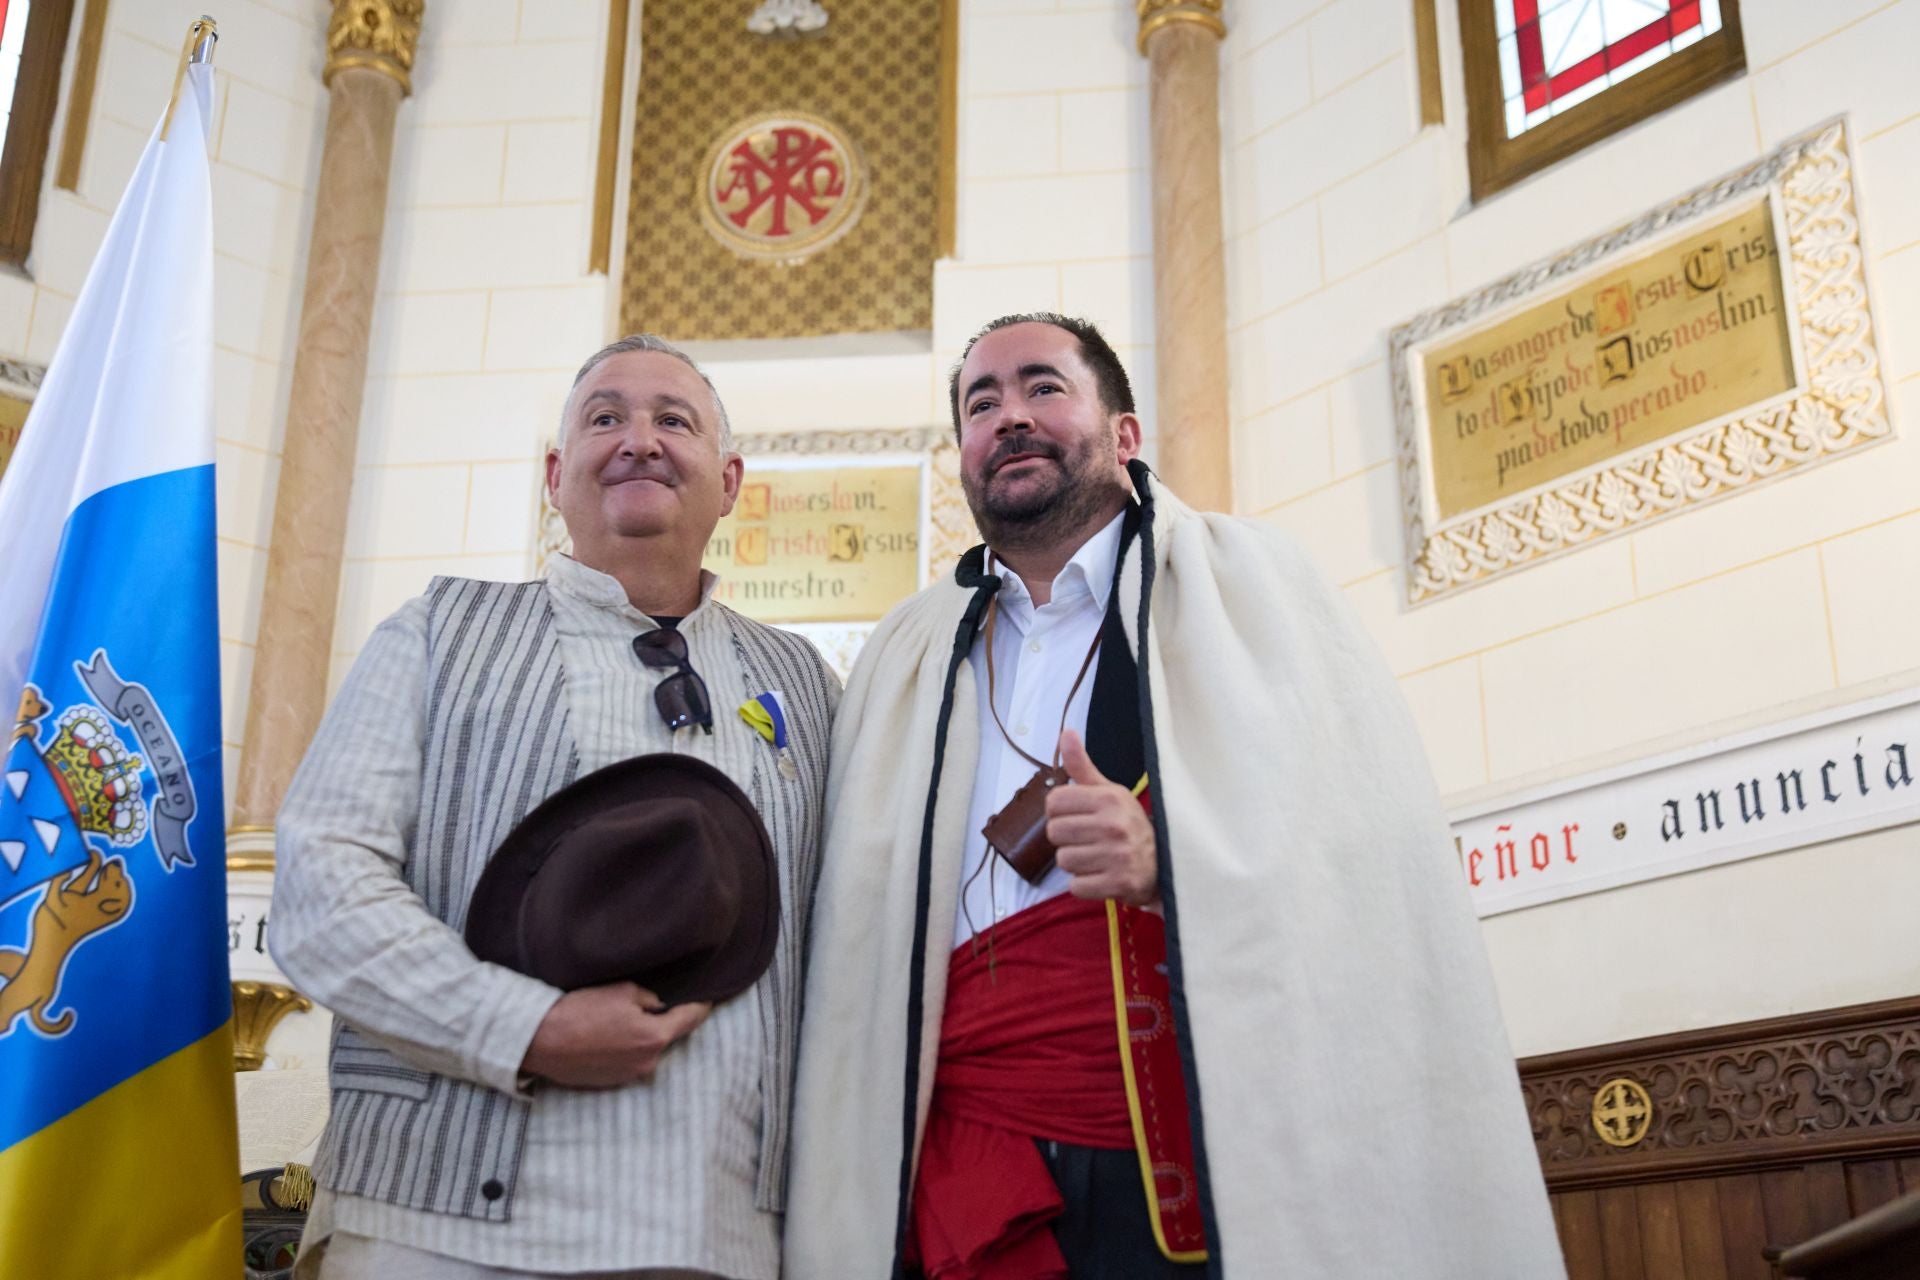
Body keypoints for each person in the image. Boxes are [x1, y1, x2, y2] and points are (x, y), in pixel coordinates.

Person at [784, 314, 1564, 1278]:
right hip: (961, 1152)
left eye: (1043, 387)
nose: (1010, 416)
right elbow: (853, 941)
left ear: (1125, 433)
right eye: (981, 405)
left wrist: (1167, 861)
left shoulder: (1253, 588)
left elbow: (1369, 862)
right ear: (965, 458)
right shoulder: (903, 654)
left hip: (1181, 1143)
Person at [271, 335, 838, 1280]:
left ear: (730, 480)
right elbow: (322, 887)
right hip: (438, 1229)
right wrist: (523, 1028)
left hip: (719, 1234)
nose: (640, 439)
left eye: (674, 420)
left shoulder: (806, 684)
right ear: (554, 474)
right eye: (605, 417)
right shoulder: (437, 632)